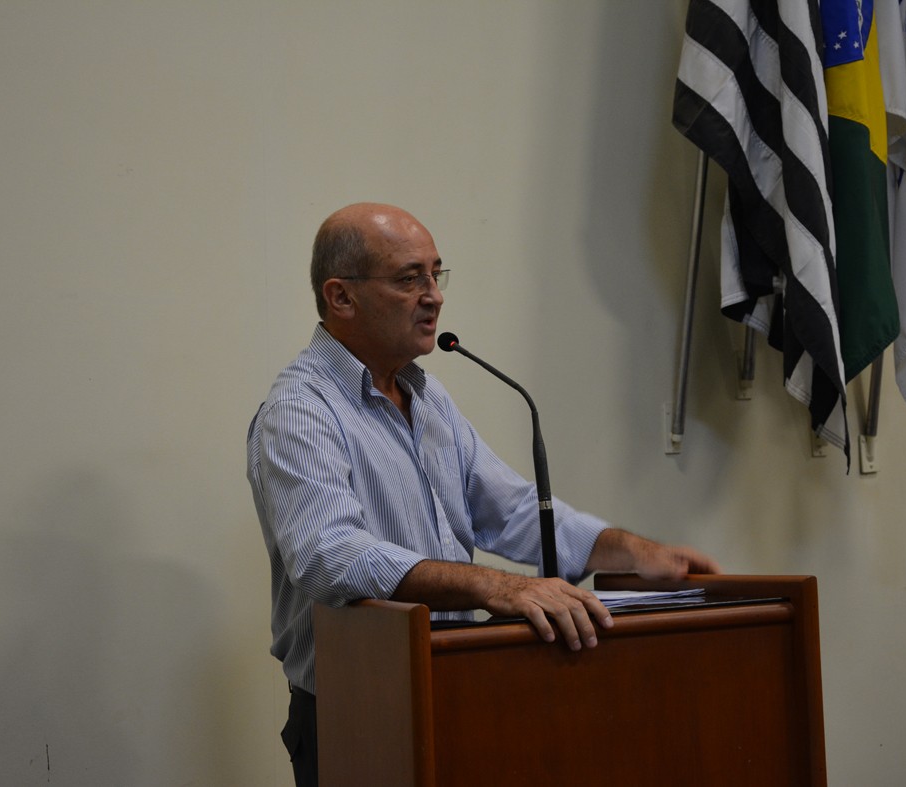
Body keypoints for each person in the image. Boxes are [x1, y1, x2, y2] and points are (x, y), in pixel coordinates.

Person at [247, 202, 720, 786]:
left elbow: (513, 510)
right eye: (409, 279)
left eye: (435, 274)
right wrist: (496, 587)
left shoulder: (426, 397)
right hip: (358, 712)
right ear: (341, 297)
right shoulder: (300, 409)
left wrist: (632, 552)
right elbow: (329, 555)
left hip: (455, 686)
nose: (434, 296)